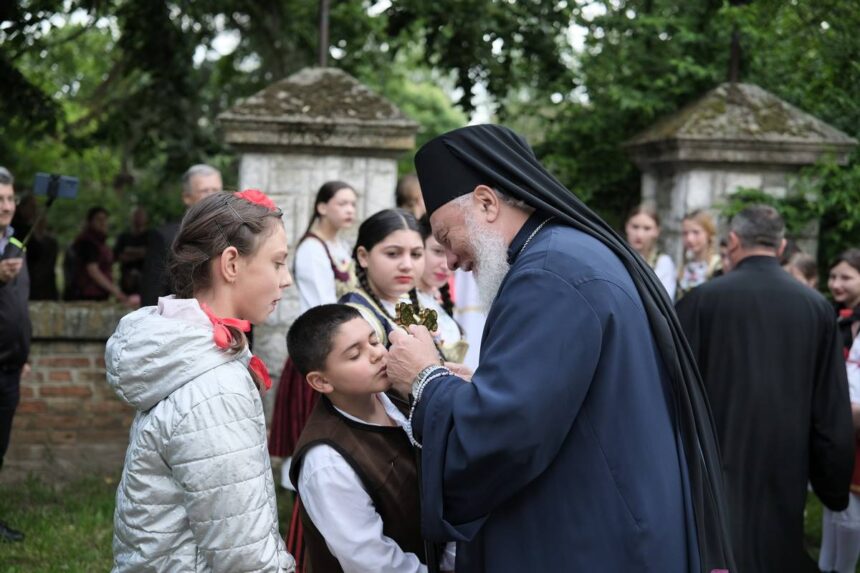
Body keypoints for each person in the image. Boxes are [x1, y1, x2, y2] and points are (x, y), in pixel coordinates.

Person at [385, 125, 735, 572]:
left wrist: (424, 378)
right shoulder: (565, 253)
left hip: (589, 538)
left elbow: (503, 434)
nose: (450, 260)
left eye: (445, 236)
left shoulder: (547, 275)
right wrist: (482, 386)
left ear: (486, 203)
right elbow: (561, 398)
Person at [106, 190, 295, 572]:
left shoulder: (191, 355)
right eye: (277, 263)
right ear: (230, 263)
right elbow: (242, 554)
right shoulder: (214, 388)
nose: (286, 279)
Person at [676, 205, 853, 573]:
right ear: (782, 244)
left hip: (712, 465)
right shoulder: (817, 309)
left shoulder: (700, 301)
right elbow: (830, 407)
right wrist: (833, 483)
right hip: (785, 467)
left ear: (734, 241)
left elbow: (672, 393)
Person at [287, 304, 454, 572]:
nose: (377, 354)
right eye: (355, 355)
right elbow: (371, 561)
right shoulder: (327, 462)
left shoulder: (400, 396)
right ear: (321, 382)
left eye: (374, 340)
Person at [269, 180, 357, 488]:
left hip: (339, 342)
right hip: (321, 348)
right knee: (309, 425)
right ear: (321, 207)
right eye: (343, 203)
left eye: (353, 204)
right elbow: (323, 307)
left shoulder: (340, 246)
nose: (350, 210)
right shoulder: (311, 249)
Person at [819, 249, 860, 573]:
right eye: (833, 276)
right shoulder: (833, 315)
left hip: (854, 421)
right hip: (839, 420)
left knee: (849, 512)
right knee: (833, 504)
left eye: (846, 277)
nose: (836, 283)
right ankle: (825, 566)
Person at [339, 208, 425, 348]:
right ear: (363, 256)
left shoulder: (414, 302)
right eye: (392, 253)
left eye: (415, 254)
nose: (407, 265)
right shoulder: (354, 318)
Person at [139, 164, 222, 306]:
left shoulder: (234, 233)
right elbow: (152, 297)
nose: (212, 197)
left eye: (216, 190)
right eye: (205, 191)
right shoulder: (165, 237)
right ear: (186, 197)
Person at [0, 166, 30, 543]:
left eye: (10, 199)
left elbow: (20, 307)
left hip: (10, 366)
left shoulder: (16, 244)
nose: (6, 207)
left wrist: (24, 354)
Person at [417, 216, 468, 363]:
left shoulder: (435, 301)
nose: (446, 264)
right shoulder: (402, 303)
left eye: (456, 255)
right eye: (438, 252)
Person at [70, 206, 127, 303]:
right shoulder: (87, 242)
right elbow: (93, 270)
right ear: (90, 222)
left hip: (99, 294)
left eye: (105, 219)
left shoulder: (100, 242)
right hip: (87, 295)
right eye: (99, 219)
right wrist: (116, 292)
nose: (103, 223)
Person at [624, 204, 676, 299]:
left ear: (657, 231)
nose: (639, 234)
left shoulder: (663, 262)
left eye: (647, 228)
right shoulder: (617, 257)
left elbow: (664, 300)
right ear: (627, 227)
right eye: (635, 227)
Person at [677, 209, 721, 297]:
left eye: (696, 232)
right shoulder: (684, 268)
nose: (689, 239)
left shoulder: (718, 266)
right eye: (685, 233)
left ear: (709, 234)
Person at [113, 206, 151, 297]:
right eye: (136, 215)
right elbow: (118, 256)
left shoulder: (151, 236)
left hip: (147, 281)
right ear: (131, 218)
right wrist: (141, 253)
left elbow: (151, 254)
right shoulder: (123, 237)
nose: (138, 218)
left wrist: (129, 251)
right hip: (127, 282)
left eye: (141, 215)